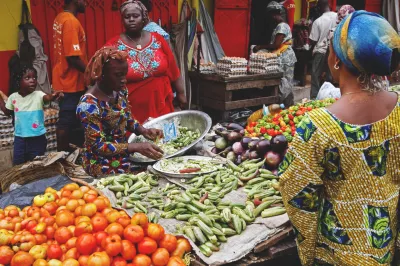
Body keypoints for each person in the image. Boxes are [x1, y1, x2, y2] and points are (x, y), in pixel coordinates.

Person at [279, 11, 400, 266]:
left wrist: (308, 254)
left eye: (332, 48)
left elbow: (297, 195)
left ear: (338, 61)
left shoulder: (317, 127)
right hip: (385, 248)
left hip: (335, 256)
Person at [77, 47, 164, 177]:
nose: (124, 80)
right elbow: (98, 146)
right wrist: (135, 147)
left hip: (123, 159)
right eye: (118, 75)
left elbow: (126, 117)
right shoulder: (88, 106)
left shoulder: (119, 91)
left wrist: (144, 131)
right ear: (101, 75)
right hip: (101, 166)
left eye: (125, 74)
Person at [105, 0, 186, 124]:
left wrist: (181, 93)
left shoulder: (158, 39)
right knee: (138, 141)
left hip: (162, 103)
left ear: (144, 17)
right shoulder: (113, 45)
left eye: (135, 16)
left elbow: (173, 68)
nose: (131, 19)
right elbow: (104, 76)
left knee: (164, 140)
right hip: (132, 109)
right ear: (122, 20)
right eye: (127, 17)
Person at [0, 66, 63, 165]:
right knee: (19, 165)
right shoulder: (13, 97)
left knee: (36, 165)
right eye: (27, 78)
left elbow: (47, 97)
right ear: (18, 81)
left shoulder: (38, 95)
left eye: (34, 78)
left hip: (37, 139)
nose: (32, 80)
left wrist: (53, 96)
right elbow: (7, 112)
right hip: (20, 139)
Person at [52, 0, 88, 152]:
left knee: (73, 122)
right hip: (70, 83)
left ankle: (71, 156)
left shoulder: (60, 18)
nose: (86, 3)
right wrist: (92, 73)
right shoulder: (71, 22)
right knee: (66, 122)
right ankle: (63, 159)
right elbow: (72, 57)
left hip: (64, 80)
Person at [253, 1, 297, 107]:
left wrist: (260, 47)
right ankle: (284, 104)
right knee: (284, 82)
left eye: (271, 16)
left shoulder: (282, 26)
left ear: (274, 15)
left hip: (286, 58)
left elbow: (276, 45)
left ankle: (287, 104)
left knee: (286, 82)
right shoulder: (280, 26)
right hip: (284, 57)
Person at [309, 0, 337, 98]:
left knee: (315, 75)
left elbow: (313, 40)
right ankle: (330, 97)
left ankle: (314, 98)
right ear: (329, 5)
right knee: (331, 75)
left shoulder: (318, 21)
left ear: (319, 7)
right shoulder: (337, 17)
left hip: (320, 51)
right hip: (334, 50)